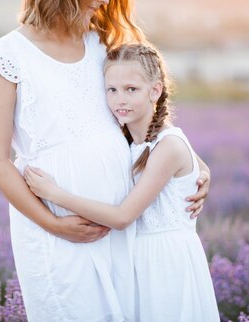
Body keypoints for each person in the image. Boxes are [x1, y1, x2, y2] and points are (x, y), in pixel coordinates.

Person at [0, 0, 211, 322]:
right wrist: (54, 223)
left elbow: (142, 117)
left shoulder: (101, 46)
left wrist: (198, 167)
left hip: (120, 232)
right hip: (56, 230)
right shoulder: (5, 55)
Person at [24, 42, 220, 321]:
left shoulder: (168, 146)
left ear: (155, 91)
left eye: (131, 89)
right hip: (136, 260)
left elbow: (122, 217)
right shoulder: (128, 141)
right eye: (112, 90)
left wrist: (55, 194)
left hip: (167, 264)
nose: (120, 100)